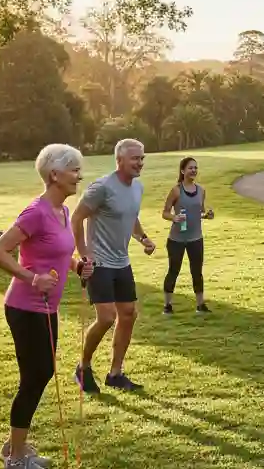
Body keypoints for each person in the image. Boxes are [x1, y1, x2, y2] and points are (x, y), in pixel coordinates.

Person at [0, 144, 94, 469]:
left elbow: (57, 253)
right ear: (54, 175)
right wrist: (32, 278)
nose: (80, 175)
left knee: (40, 374)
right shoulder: (36, 211)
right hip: (24, 307)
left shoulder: (62, 212)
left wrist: (77, 266)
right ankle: (15, 459)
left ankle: (14, 447)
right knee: (35, 377)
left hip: (46, 308)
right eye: (74, 170)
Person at [71, 138, 156, 394]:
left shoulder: (137, 188)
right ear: (119, 160)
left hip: (122, 261)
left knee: (128, 314)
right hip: (99, 261)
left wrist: (143, 237)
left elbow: (130, 215)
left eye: (142, 158)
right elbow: (76, 218)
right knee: (107, 317)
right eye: (134, 158)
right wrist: (84, 254)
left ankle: (115, 374)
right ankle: (83, 367)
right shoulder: (102, 188)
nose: (140, 163)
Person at [161, 156, 214, 315]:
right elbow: (165, 212)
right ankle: (167, 306)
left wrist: (207, 215)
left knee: (197, 271)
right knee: (173, 270)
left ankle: (200, 305)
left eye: (196, 168)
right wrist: (174, 217)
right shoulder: (176, 190)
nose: (194, 171)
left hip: (196, 239)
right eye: (190, 168)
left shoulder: (201, 190)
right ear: (183, 171)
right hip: (176, 240)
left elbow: (200, 211)